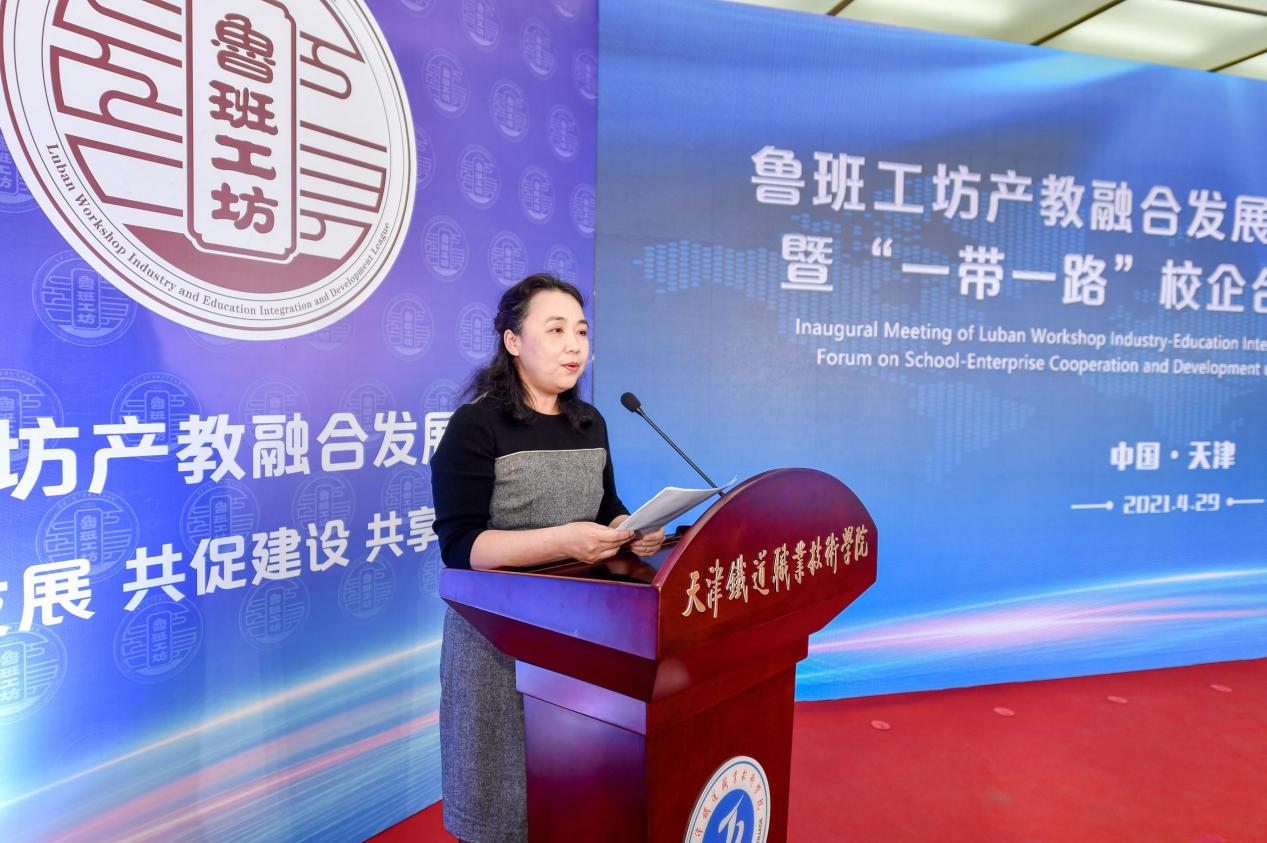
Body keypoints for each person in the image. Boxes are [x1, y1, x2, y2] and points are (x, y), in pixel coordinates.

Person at [430, 273, 665, 843]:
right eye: (556, 330)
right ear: (513, 341)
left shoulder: (591, 422)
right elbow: (461, 547)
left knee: (574, 796)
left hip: (580, 633)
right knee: (501, 803)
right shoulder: (475, 425)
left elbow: (607, 506)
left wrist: (629, 530)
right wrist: (564, 541)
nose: (573, 345)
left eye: (581, 331)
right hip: (495, 637)